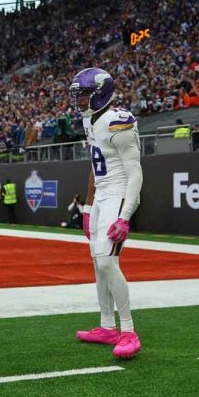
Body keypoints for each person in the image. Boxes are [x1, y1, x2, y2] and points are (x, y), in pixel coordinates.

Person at [69, 67, 142, 359]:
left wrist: (125, 216)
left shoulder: (118, 121)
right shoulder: (92, 121)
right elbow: (94, 166)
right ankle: (107, 325)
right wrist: (88, 207)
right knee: (98, 262)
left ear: (100, 94)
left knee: (107, 261)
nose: (79, 100)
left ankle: (128, 330)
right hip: (102, 195)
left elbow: (135, 174)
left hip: (119, 193)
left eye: (84, 94)